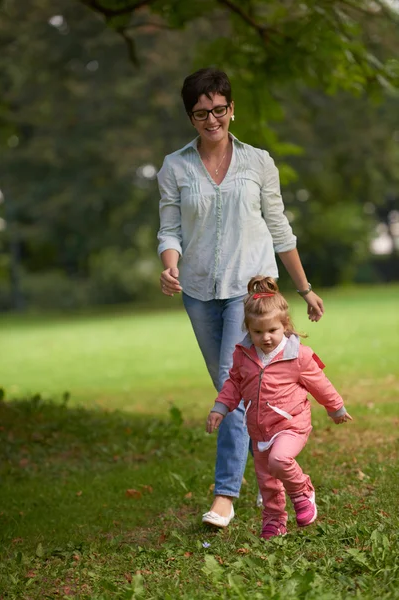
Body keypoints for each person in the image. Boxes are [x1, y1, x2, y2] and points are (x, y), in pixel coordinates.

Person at [157, 67, 325, 527]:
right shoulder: (175, 166)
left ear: (232, 108)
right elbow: (170, 228)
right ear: (190, 117)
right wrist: (170, 266)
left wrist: (305, 288)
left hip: (249, 290)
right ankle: (272, 474)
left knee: (233, 385)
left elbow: (279, 228)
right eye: (200, 113)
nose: (211, 119)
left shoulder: (258, 162)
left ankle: (225, 496)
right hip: (197, 291)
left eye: (219, 109)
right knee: (234, 391)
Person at [206, 276, 352, 538]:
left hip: (291, 424)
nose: (266, 338)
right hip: (259, 430)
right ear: (248, 330)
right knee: (268, 480)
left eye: (272, 331)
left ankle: (303, 491)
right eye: (257, 332)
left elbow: (320, 383)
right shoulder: (243, 355)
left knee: (280, 460)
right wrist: (220, 407)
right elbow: (233, 384)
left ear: (284, 326)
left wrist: (336, 407)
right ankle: (274, 521)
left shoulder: (298, 356)